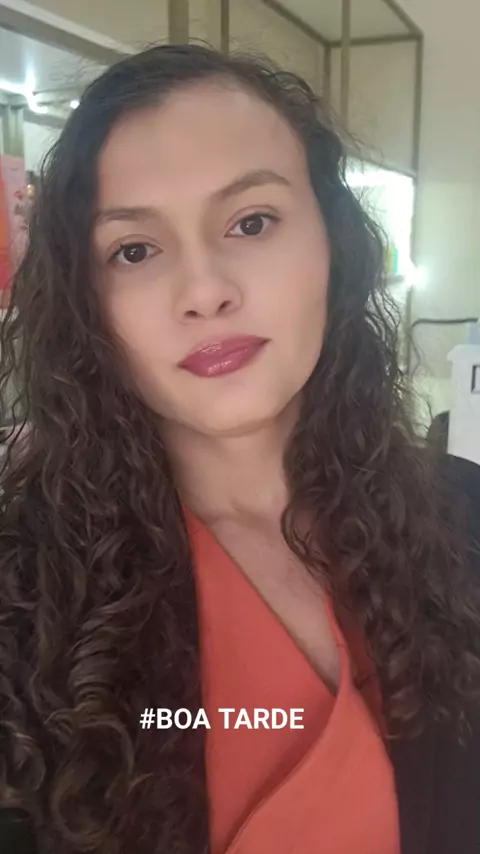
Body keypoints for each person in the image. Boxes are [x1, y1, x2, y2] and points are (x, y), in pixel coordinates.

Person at [0, 44, 479, 854]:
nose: (205, 291)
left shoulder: (465, 519)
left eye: (251, 222)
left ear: (334, 242)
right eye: (134, 250)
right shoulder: (24, 601)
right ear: (86, 303)